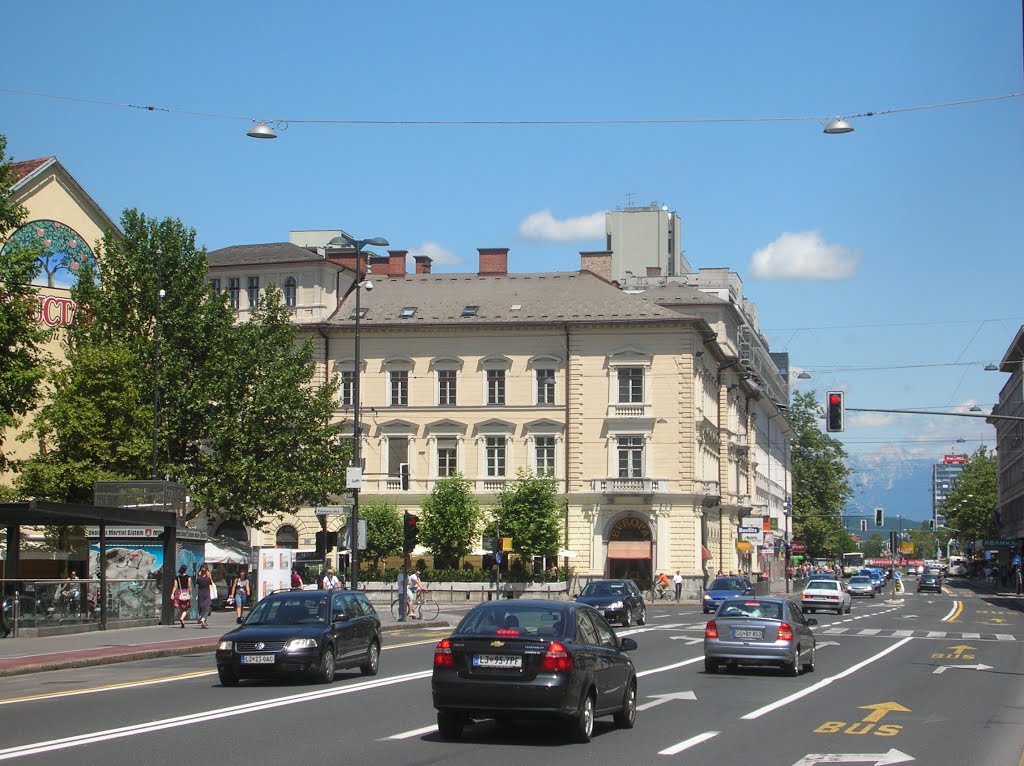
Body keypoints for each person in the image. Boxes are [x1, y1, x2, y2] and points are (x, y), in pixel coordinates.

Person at [196, 564, 213, 628]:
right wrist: (209, 576)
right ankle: (203, 619)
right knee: (207, 608)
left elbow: (197, 583)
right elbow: (211, 583)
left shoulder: (199, 578)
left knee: (202, 607)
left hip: (200, 593)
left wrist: (199, 575)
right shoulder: (208, 578)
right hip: (207, 593)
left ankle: (201, 617)